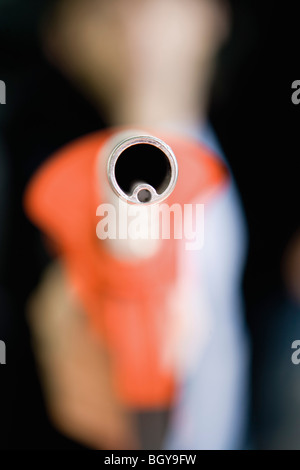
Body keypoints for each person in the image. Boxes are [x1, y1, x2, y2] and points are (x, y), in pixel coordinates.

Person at [26, 0, 250, 449]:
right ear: (60, 43)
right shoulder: (67, 197)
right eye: (97, 8)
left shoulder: (255, 168)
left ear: (216, 14)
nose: (131, 17)